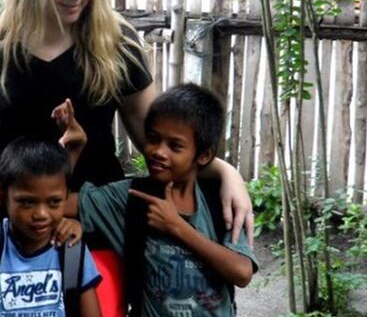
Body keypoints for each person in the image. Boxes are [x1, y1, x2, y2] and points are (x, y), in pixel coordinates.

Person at [0, 0, 254, 243]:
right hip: (11, 221)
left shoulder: (117, 41)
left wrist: (226, 172)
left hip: (93, 219)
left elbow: (153, 140)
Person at [66, 84, 258, 316]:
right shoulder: (130, 198)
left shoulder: (221, 200)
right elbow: (58, 203)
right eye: (153, 139)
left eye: (175, 146)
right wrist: (72, 154)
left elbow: (242, 272)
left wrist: (176, 226)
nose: (158, 151)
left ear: (204, 155)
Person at [0, 137, 102, 317]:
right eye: (27, 202)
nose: (41, 214)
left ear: (66, 196)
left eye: (54, 202)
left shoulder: (73, 252)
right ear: (0, 195)